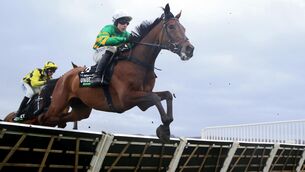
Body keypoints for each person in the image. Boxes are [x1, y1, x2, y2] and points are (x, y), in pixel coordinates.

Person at [91, 9, 132, 85]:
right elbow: (105, 40)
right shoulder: (108, 28)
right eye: (123, 22)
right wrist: (123, 39)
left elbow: (133, 45)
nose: (125, 25)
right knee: (112, 48)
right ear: (116, 22)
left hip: (113, 53)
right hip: (100, 52)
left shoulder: (126, 34)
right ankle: (96, 76)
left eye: (127, 23)